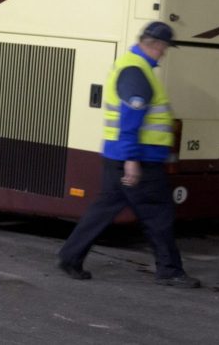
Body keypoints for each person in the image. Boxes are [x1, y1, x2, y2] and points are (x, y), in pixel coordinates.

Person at [57, 21, 201, 288]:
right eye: (165, 47)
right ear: (155, 45)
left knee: (104, 209)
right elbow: (130, 119)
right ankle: (170, 270)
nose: (165, 53)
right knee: (158, 214)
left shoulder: (133, 66)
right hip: (139, 159)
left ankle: (70, 256)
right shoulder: (136, 71)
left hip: (121, 156)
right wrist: (131, 161)